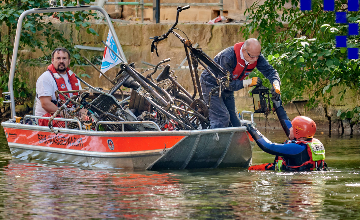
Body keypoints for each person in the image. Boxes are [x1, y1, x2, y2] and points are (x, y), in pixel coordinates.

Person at [200, 38, 281, 128]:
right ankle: (213, 140)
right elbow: (227, 84)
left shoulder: (255, 56)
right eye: (252, 57)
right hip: (211, 83)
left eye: (257, 56)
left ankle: (234, 141)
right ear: (244, 50)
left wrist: (276, 84)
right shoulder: (228, 57)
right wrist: (247, 82)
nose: (255, 60)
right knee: (222, 118)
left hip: (228, 84)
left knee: (234, 122)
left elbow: (270, 71)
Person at [246, 116, 328, 171]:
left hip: (296, 182)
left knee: (250, 170)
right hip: (307, 177)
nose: (290, 129)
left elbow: (268, 146)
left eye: (292, 128)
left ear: (298, 132)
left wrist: (252, 129)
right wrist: (277, 104)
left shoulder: (297, 148)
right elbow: (286, 122)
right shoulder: (311, 142)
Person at [35, 48, 82, 123]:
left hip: (71, 118)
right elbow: (45, 104)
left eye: (64, 58)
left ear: (69, 61)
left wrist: (84, 115)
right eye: (58, 58)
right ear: (52, 60)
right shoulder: (45, 78)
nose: (61, 61)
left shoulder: (75, 78)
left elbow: (80, 100)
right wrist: (68, 115)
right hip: (49, 118)